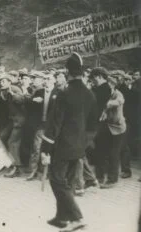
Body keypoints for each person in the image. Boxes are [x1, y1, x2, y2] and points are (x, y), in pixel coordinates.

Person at [41, 53, 98, 232]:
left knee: (56, 180)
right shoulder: (90, 95)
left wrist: (46, 148)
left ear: (68, 72)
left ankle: (76, 217)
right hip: (79, 146)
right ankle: (62, 218)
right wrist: (85, 143)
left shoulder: (65, 93)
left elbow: (54, 124)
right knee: (69, 181)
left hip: (63, 146)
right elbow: (92, 124)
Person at [91, 69, 126, 189]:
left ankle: (112, 180)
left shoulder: (117, 94)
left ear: (113, 85)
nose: (108, 86)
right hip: (107, 127)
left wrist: (109, 103)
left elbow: (120, 101)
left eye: (110, 85)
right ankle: (99, 177)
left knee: (113, 154)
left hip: (118, 129)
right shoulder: (105, 94)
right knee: (101, 151)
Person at [0, 74, 26, 178]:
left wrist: (13, 95)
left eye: (3, 81)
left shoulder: (15, 89)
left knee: (12, 142)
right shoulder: (0, 92)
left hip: (18, 120)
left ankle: (16, 168)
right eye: (0, 82)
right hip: (9, 121)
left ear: (9, 82)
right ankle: (6, 163)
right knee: (2, 138)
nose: (1, 83)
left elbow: (21, 99)